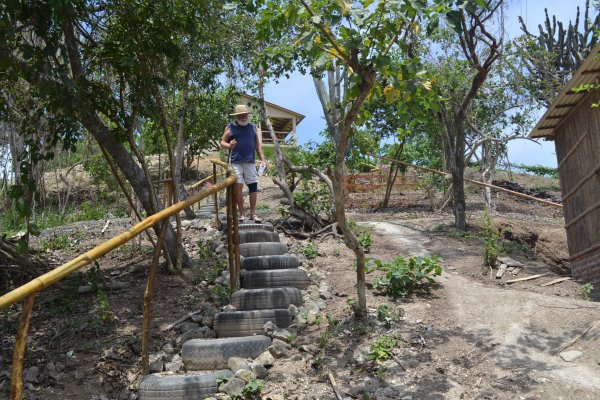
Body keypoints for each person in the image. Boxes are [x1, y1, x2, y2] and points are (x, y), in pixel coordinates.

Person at [220, 104, 267, 223]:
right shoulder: (230, 127)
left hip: (250, 161)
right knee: (238, 187)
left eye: (245, 115)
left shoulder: (253, 127)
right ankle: (241, 214)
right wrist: (229, 145)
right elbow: (222, 143)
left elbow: (258, 145)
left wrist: (263, 159)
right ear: (236, 116)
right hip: (236, 161)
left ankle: (253, 214)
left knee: (253, 186)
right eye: (240, 115)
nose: (243, 117)